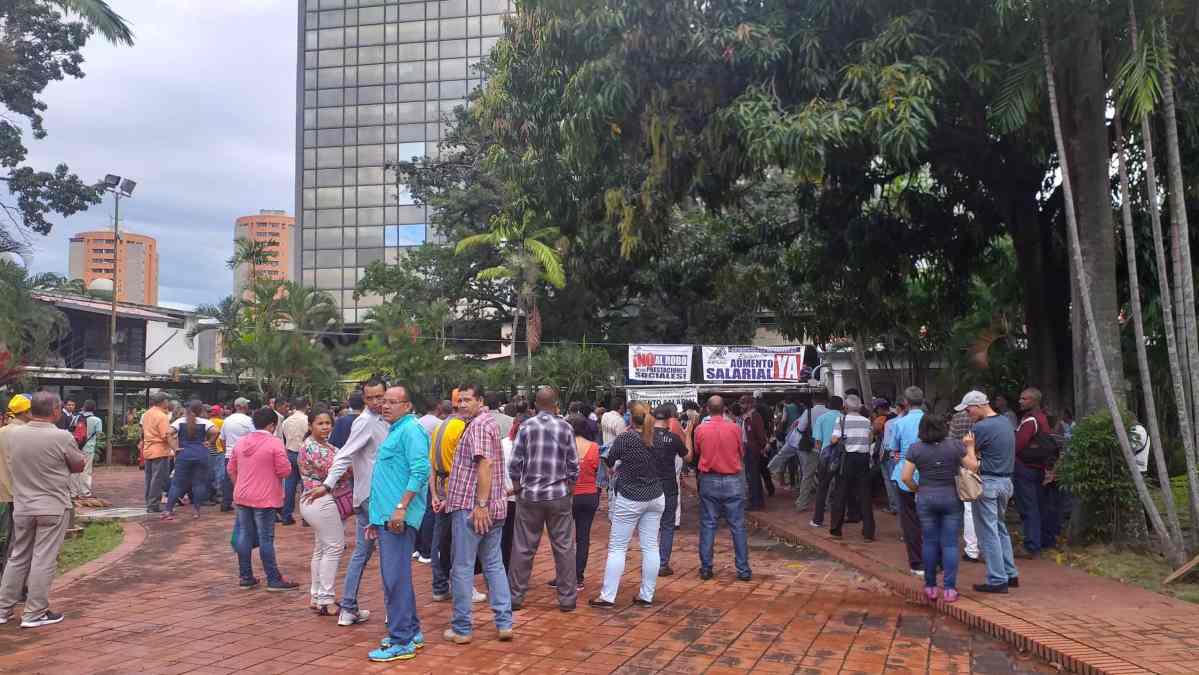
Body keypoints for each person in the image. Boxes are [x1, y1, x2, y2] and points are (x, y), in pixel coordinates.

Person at [303, 377, 390, 626]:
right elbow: (344, 455)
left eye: (379, 397)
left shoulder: (384, 420)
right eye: (370, 398)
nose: (376, 402)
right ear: (364, 399)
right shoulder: (365, 422)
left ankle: (348, 608)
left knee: (362, 552)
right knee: (387, 554)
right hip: (373, 498)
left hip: (370, 495)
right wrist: (328, 485)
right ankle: (390, 611)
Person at [0, 392, 85, 627]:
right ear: (55, 411)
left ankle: (2, 609)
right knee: (43, 559)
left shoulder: (13, 433)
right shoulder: (62, 436)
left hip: (22, 505)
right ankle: (34, 613)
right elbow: (78, 465)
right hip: (52, 506)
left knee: (17, 557)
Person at [441, 383, 513, 644]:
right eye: (459, 400)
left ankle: (462, 628)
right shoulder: (484, 423)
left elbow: (485, 463)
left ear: (480, 401)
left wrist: (480, 505)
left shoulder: (480, 425)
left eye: (467, 400)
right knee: (493, 564)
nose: (461, 404)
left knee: (462, 567)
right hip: (489, 506)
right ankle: (504, 623)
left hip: (475, 509)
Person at [365, 386, 430, 663]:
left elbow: (421, 470)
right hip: (386, 517)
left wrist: (401, 508)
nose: (385, 406)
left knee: (395, 578)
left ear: (407, 405)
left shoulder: (411, 430)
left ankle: (401, 639)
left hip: (398, 518)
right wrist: (375, 518)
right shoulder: (397, 430)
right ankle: (410, 630)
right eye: (383, 401)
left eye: (392, 402)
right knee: (397, 576)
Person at [508, 387, 579, 612]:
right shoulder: (566, 427)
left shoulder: (526, 427)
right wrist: (569, 490)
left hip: (530, 496)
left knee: (523, 548)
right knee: (564, 547)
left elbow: (515, 463)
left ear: (536, 405)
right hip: (558, 495)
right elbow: (573, 465)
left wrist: (518, 489)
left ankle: (515, 597)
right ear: (555, 404)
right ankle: (567, 599)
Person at [588, 402, 665, 608]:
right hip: (656, 495)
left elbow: (611, 461)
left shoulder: (626, 438)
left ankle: (608, 596)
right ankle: (647, 595)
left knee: (617, 548)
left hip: (631, 496)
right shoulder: (658, 437)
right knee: (650, 546)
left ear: (631, 417)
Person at [901, 414, 978, 604]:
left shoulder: (915, 448)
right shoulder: (954, 446)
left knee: (929, 542)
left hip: (926, 497)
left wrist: (916, 489)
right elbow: (973, 467)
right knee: (950, 544)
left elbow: (905, 477)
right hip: (951, 497)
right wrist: (970, 446)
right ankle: (950, 589)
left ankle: (930, 587)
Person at [227, 407, 298, 591]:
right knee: (266, 538)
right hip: (266, 498)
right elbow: (285, 470)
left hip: (243, 495)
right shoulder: (274, 444)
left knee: (244, 534)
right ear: (272, 425)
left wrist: (239, 485)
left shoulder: (241, 443)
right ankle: (273, 579)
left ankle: (245, 576)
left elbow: (231, 468)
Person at [957, 390, 1020, 593]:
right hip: (1006, 482)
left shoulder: (981, 427)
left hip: (989, 482)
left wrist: (967, 447)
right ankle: (1010, 573)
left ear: (977, 405)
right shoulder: (1005, 422)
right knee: (1000, 528)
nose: (968, 414)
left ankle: (997, 579)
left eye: (968, 410)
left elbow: (970, 460)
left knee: (987, 532)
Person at [692, 396, 752, 582]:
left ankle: (706, 568)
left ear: (708, 410)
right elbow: (741, 452)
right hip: (732, 479)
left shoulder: (700, 429)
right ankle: (743, 570)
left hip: (709, 479)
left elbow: (697, 451)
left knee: (708, 524)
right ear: (724, 409)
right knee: (738, 526)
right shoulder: (734, 427)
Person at [297, 408, 350, 616]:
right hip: (320, 500)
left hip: (315, 501)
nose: (325, 427)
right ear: (311, 426)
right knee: (334, 548)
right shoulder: (313, 448)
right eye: (320, 423)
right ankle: (326, 599)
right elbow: (340, 473)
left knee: (321, 549)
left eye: (328, 423)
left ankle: (316, 595)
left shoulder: (323, 445)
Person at [1013, 387, 1059, 559]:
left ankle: (1031, 546)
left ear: (1033, 401)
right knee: (1038, 506)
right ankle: (1040, 541)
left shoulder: (1029, 421)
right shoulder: (1043, 419)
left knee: (1028, 508)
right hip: (1038, 468)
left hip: (1025, 469)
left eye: (1024, 399)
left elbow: (1017, 445)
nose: (1020, 401)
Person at [828, 395, 875, 541]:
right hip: (863, 458)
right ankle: (868, 532)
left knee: (841, 493)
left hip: (846, 459)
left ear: (845, 407)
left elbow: (834, 439)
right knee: (865, 494)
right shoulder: (867, 421)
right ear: (860, 407)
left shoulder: (841, 420)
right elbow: (870, 438)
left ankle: (836, 530)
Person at [890, 387, 926, 575]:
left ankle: (917, 562)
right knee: (930, 519)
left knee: (910, 520)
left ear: (905, 402)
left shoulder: (899, 423)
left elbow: (894, 450)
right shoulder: (931, 421)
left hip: (905, 474)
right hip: (929, 474)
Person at [162, 400, 218, 521]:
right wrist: (209, 442)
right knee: (199, 484)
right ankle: (196, 511)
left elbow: (168, 433)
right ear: (201, 410)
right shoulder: (205, 422)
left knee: (177, 484)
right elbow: (215, 431)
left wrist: (175, 448)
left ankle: (168, 510)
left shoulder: (180, 421)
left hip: (184, 455)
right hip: (201, 454)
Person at [563, 413, 600, 589]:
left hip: (568, 496)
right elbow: (597, 471)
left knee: (563, 538)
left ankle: (564, 575)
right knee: (583, 537)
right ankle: (578, 576)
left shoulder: (562, 447)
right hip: (589, 495)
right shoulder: (594, 447)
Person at [651, 406, 687, 577]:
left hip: (649, 486)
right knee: (667, 526)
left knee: (649, 526)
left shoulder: (644, 438)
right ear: (668, 419)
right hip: (668, 486)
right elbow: (687, 456)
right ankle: (662, 564)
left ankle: (650, 562)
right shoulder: (673, 438)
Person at [0, 396, 32, 573]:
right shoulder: (26, 433)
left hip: (6, 491)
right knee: (20, 541)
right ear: (26, 412)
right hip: (23, 492)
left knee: (11, 535)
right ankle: (13, 583)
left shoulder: (3, 431)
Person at [948, 406, 981, 563]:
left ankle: (972, 549)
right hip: (977, 459)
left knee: (968, 507)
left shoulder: (958, 417)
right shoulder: (982, 420)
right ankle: (978, 546)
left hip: (961, 461)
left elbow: (952, 437)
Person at [789, 392, 828, 511]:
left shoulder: (809, 412)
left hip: (813, 448)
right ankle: (826, 503)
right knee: (827, 477)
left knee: (808, 476)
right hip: (828, 448)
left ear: (813, 401)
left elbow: (801, 428)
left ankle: (802, 503)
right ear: (825, 401)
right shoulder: (830, 413)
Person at [808, 396, 844, 528]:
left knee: (822, 487)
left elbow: (817, 442)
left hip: (826, 456)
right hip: (842, 456)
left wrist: (821, 453)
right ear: (842, 406)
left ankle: (817, 519)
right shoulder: (844, 418)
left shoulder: (821, 418)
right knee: (841, 488)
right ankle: (839, 519)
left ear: (828, 405)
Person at [219, 398, 255, 513]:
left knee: (228, 479)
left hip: (229, 454)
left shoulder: (227, 420)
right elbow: (254, 437)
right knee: (245, 479)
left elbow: (222, 439)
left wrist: (227, 451)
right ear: (244, 407)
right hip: (245, 454)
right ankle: (244, 502)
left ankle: (226, 502)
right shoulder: (249, 421)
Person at [140, 392, 174, 514]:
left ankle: (149, 502)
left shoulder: (147, 414)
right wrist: (175, 448)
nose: (168, 403)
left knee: (149, 478)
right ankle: (153, 504)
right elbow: (166, 435)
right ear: (163, 402)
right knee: (158, 479)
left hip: (148, 449)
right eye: (167, 401)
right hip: (160, 450)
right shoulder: (161, 416)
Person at [279, 398, 310, 526]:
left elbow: (284, 438)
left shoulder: (286, 421)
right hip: (304, 453)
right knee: (306, 485)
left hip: (290, 452)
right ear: (306, 406)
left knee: (290, 485)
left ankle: (286, 515)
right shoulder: (307, 420)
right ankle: (306, 517)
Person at [738, 395, 768, 510]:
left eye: (743, 403)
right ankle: (755, 501)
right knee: (751, 476)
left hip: (752, 450)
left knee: (753, 476)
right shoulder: (747, 417)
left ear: (749, 404)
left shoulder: (755, 416)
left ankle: (756, 502)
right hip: (748, 449)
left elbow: (760, 435)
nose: (741, 406)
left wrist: (759, 447)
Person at [69, 400, 102, 501]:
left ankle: (73, 492)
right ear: (94, 408)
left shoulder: (77, 417)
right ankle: (85, 492)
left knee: (74, 470)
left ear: (84, 407)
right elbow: (99, 434)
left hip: (76, 447)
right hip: (88, 448)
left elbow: (71, 429)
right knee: (86, 470)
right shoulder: (97, 420)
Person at [207, 405, 225, 505]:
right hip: (219, 449)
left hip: (211, 449)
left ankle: (214, 493)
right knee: (219, 472)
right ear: (218, 412)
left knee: (212, 472)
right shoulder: (221, 422)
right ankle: (218, 492)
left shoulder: (208, 421)